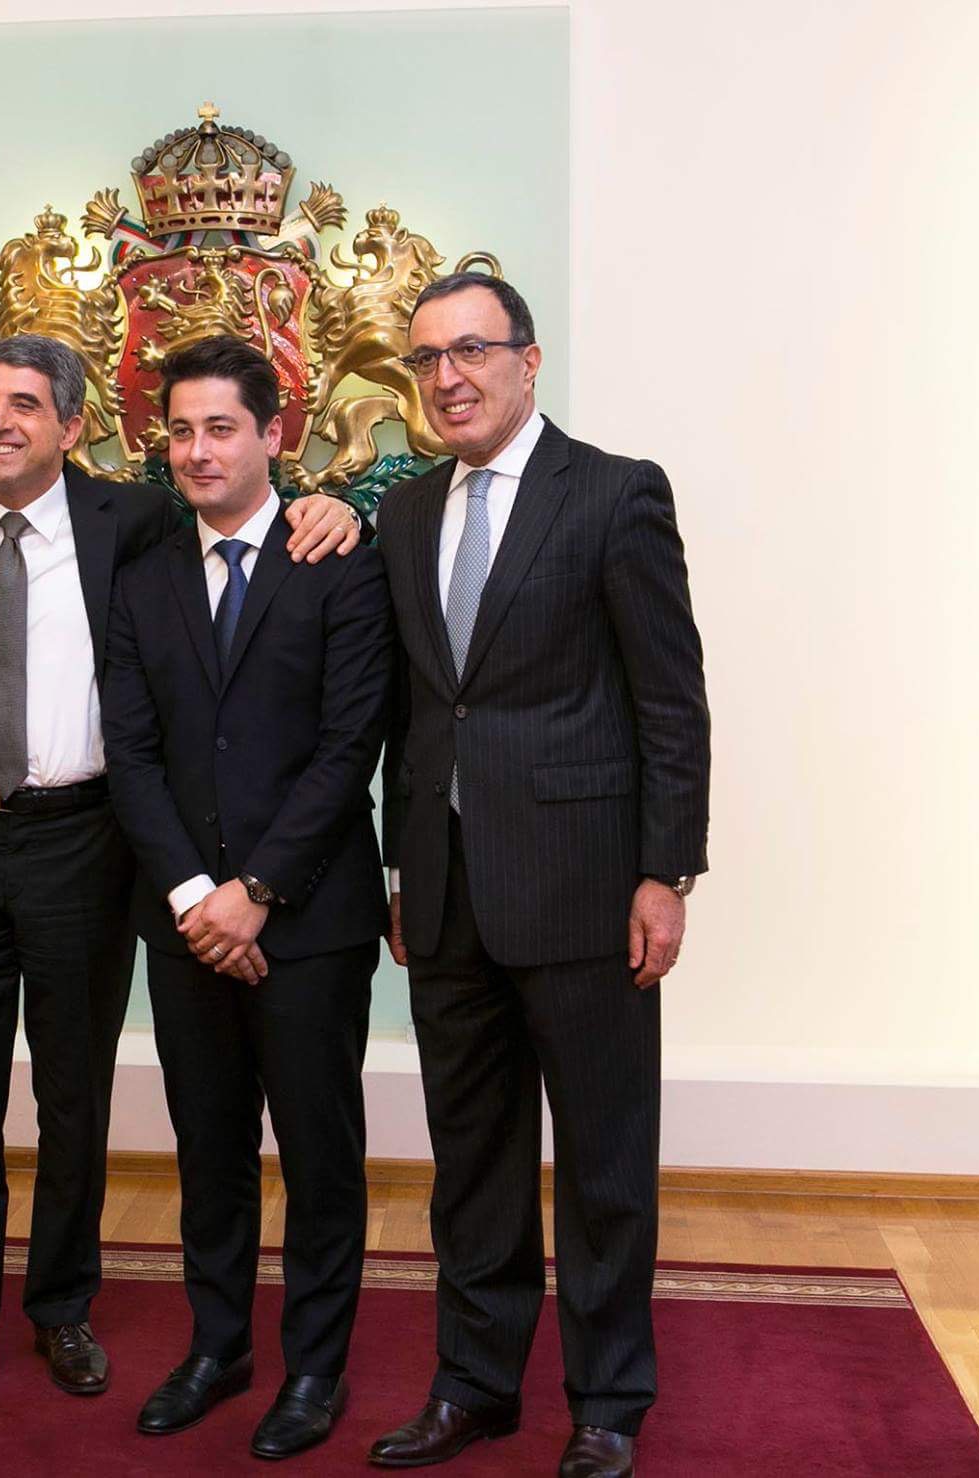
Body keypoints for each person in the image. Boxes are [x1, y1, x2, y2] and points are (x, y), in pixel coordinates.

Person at [0, 333, 362, 1419]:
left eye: (24, 404)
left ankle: (62, 1306)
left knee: (73, 1090)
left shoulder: (131, 521)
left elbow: (258, 519)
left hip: (82, 840)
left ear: (72, 425)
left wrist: (342, 508)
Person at [368, 276, 711, 1478]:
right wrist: (400, 865)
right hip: (443, 893)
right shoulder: (405, 511)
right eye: (426, 359)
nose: (447, 377)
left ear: (527, 358)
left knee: (604, 1164)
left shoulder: (613, 493)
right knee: (471, 1161)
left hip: (583, 886)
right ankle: (472, 1383)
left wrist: (663, 872)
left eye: (470, 350)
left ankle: (607, 1399)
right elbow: (417, 710)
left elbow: (669, 699)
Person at [101, 335, 392, 1460]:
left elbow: (349, 745)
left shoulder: (341, 561)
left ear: (274, 434)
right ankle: (217, 1346)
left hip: (308, 921)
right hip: (186, 927)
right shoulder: (144, 578)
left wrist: (256, 890)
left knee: (319, 1153)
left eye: (220, 427)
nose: (197, 450)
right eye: (179, 430)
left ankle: (314, 1366)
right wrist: (196, 895)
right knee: (208, 1149)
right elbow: (131, 752)